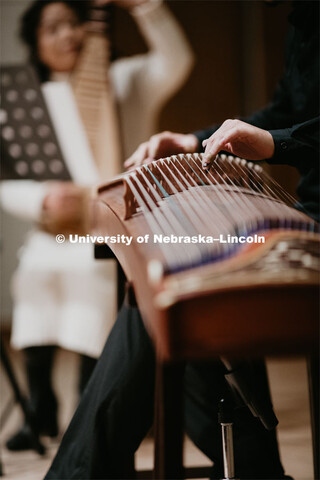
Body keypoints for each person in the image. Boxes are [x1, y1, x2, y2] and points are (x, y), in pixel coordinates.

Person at [45, 1, 318, 478]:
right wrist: (197, 141)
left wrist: (277, 142)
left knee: (165, 297)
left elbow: (284, 127)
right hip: (306, 210)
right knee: (169, 289)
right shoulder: (305, 22)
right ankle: (257, 472)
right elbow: (286, 110)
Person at [1, 0, 193, 451]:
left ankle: (92, 411)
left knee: (93, 285)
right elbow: (8, 180)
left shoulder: (123, 80)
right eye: (53, 28)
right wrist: (42, 198)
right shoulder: (25, 101)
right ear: (35, 41)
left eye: (74, 23)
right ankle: (39, 411)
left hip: (110, 229)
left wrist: (146, 9)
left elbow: (176, 61)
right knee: (33, 279)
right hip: (55, 228)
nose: (68, 35)